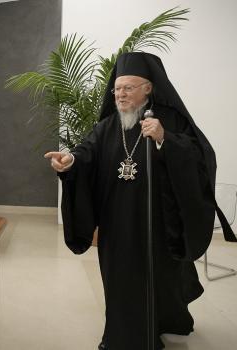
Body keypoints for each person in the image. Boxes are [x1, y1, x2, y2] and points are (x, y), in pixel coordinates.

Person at [45, 52, 236, 349]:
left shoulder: (170, 119)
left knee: (163, 276)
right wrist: (70, 161)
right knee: (120, 278)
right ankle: (125, 337)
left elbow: (199, 157)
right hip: (117, 220)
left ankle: (167, 320)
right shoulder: (108, 125)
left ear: (148, 88)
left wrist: (164, 139)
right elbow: (86, 153)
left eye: (128, 88)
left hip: (158, 218)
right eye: (117, 89)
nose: (120, 94)